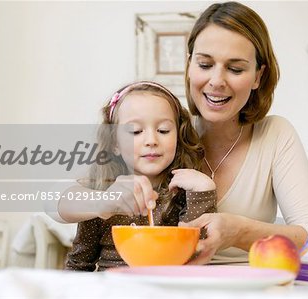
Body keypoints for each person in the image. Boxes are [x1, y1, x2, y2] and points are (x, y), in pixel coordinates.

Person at [52, 1, 308, 266]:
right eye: (205, 65)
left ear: (258, 76)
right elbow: (55, 203)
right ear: (189, 64)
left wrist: (240, 231)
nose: (217, 81)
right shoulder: (165, 135)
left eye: (235, 68)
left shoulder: (275, 134)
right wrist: (104, 200)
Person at [65, 81, 217, 271]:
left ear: (178, 136)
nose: (151, 141)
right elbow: (78, 264)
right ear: (115, 143)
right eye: (136, 131)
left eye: (163, 130)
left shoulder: (184, 190)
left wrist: (203, 192)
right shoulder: (102, 193)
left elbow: (197, 256)